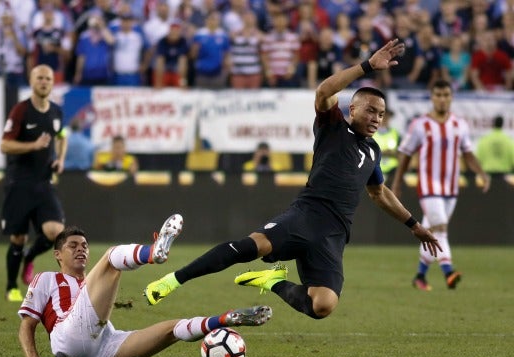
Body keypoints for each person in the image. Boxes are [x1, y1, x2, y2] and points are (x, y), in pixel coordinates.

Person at [144, 40, 442, 322]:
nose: (377, 118)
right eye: (371, 110)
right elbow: (324, 91)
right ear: (353, 109)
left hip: (334, 235)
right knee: (249, 247)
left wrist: (414, 226)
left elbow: (378, 192)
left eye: (381, 114)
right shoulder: (334, 126)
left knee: (322, 306)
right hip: (305, 215)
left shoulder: (373, 151)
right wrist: (367, 66)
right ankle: (171, 281)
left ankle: (272, 281)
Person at [18, 216, 272, 357]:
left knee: (172, 330)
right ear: (57, 254)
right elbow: (27, 324)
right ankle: (153, 253)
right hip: (68, 336)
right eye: (72, 246)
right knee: (110, 259)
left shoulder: (88, 286)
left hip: (103, 344)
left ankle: (226, 319)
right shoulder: (47, 279)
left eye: (84, 245)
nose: (81, 249)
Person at [391, 79, 490, 292]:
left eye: (446, 95)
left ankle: (420, 276)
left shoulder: (459, 124)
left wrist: (482, 173)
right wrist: (397, 182)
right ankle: (449, 271)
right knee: (441, 230)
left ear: (451, 97)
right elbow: (406, 155)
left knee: (431, 231)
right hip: (428, 187)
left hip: (450, 188)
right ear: (432, 97)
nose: (442, 99)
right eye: (438, 95)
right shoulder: (420, 125)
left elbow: (468, 152)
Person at [0, 64, 68, 302]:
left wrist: (60, 159)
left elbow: (62, 137)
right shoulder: (21, 111)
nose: (44, 82)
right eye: (39, 78)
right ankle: (11, 287)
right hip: (19, 182)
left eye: (48, 78)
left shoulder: (57, 112)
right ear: (31, 81)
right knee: (17, 237)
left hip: (44, 182)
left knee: (56, 232)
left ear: (52, 82)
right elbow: (4, 145)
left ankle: (29, 257)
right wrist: (33, 145)